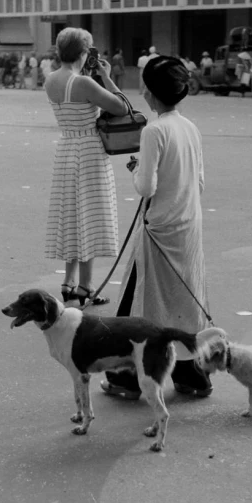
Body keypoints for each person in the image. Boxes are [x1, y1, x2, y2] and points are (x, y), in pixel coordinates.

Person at [101, 55, 213, 400]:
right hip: (188, 226)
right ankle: (193, 375)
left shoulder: (154, 130)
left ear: (149, 92)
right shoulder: (189, 127)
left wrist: (136, 170)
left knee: (138, 304)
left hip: (158, 229)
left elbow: (146, 188)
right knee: (184, 301)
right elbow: (199, 181)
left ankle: (125, 377)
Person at [44, 27, 128, 306]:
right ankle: (85, 287)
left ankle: (67, 282)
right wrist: (106, 77)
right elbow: (121, 108)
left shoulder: (51, 80)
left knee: (71, 214)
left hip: (66, 148)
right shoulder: (84, 83)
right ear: (84, 52)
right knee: (89, 217)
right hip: (89, 151)